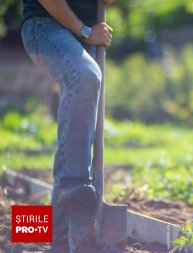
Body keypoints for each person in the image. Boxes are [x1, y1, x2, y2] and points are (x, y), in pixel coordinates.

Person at [21, 0, 116, 251]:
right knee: (85, 75)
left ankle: (62, 240)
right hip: (45, 25)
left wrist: (89, 33)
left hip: (86, 37)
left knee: (79, 136)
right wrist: (84, 30)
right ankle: (73, 181)